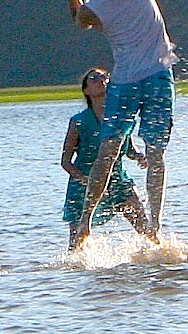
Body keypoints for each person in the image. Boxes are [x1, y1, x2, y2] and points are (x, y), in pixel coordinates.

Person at [48, 0, 177, 247]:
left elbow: (78, 19)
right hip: (157, 76)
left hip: (124, 82)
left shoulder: (93, 7)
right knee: (156, 152)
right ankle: (156, 225)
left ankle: (86, 223)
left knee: (108, 149)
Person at [61, 66, 151, 249]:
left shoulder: (121, 118)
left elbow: (127, 148)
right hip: (84, 183)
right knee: (77, 240)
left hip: (117, 179)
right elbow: (65, 161)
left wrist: (140, 157)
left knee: (145, 227)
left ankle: (158, 258)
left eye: (105, 78)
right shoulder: (79, 121)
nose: (102, 81)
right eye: (94, 78)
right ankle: (75, 270)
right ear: (86, 90)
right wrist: (83, 179)